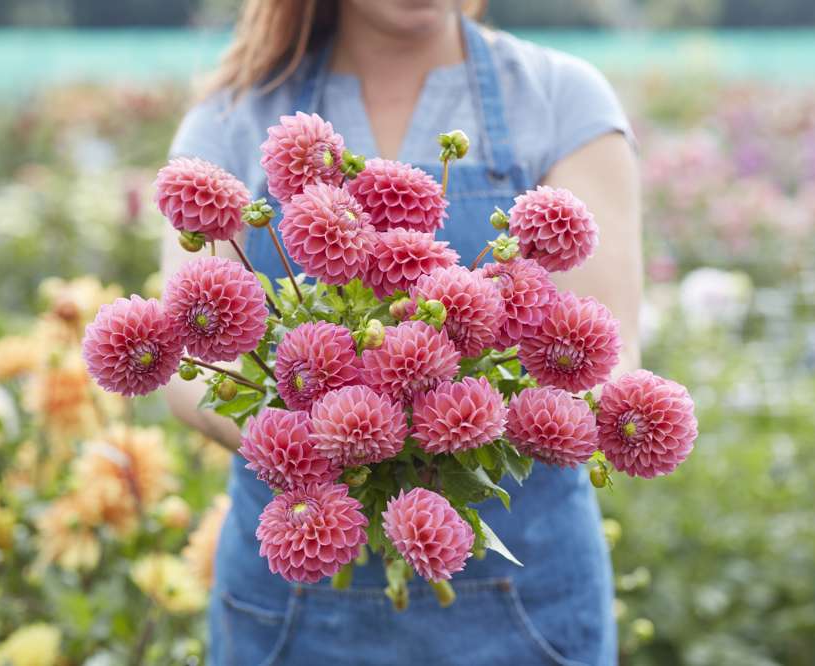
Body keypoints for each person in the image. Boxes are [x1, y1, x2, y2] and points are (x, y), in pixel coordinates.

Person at [161, 1, 641, 664]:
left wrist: (464, 427)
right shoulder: (234, 115)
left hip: (528, 608)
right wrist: (318, 446)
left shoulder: (559, 98)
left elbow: (607, 350)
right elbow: (185, 362)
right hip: (294, 614)